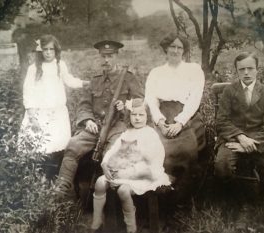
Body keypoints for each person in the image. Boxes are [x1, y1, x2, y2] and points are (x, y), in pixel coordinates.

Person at [54, 40, 143, 198]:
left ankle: (113, 198)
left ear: (116, 56)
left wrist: (126, 106)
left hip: (118, 127)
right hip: (95, 126)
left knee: (112, 153)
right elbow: (84, 105)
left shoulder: (128, 78)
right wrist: (88, 120)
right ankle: (61, 191)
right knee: (73, 145)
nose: (106, 60)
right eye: (103, 56)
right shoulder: (94, 80)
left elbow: (140, 103)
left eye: (110, 56)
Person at [214, 52, 264, 229]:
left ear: (257, 70)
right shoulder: (229, 91)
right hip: (233, 138)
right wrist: (241, 138)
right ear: (236, 71)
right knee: (222, 166)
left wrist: (251, 144)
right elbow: (222, 121)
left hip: (262, 141)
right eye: (242, 69)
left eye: (250, 68)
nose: (246, 73)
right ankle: (237, 203)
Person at [90, 98, 170, 233]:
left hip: (143, 174)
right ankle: (96, 223)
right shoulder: (127, 133)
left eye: (141, 115)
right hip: (124, 170)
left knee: (123, 190)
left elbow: (149, 161)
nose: (137, 118)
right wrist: (105, 163)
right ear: (129, 116)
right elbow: (113, 150)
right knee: (99, 182)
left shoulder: (150, 134)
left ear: (147, 116)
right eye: (134, 115)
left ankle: (131, 228)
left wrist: (125, 172)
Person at [145, 32, 206, 202]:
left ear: (184, 51)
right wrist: (159, 121)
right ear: (166, 48)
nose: (176, 50)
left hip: (187, 116)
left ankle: (182, 199)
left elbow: (194, 99)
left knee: (187, 151)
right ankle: (160, 198)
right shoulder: (156, 72)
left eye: (180, 47)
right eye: (172, 46)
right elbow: (150, 99)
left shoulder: (193, 70)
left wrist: (180, 122)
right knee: (157, 151)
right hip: (162, 115)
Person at [18, 34, 89, 155]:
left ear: (56, 50)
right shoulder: (33, 68)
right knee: (39, 146)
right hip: (39, 113)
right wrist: (32, 116)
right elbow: (28, 92)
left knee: (58, 146)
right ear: (40, 51)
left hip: (57, 112)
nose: (48, 53)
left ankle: (56, 170)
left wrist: (84, 83)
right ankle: (38, 171)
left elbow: (69, 80)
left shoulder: (60, 64)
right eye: (45, 49)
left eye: (51, 49)